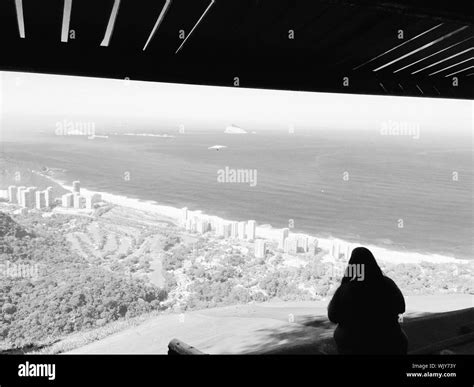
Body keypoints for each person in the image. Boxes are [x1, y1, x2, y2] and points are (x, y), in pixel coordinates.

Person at [328, 247, 408, 354]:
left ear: (353, 267)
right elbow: (401, 307)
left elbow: (333, 316)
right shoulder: (387, 284)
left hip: (353, 343)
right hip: (389, 340)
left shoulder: (346, 289)